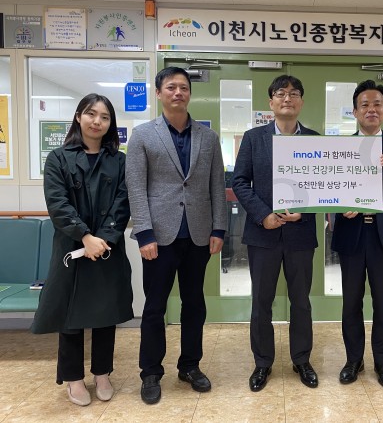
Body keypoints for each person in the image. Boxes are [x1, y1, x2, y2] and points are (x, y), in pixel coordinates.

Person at [126, 67, 227, 404]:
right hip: (158, 237)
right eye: (171, 87)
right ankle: (151, 372)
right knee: (155, 306)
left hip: (198, 235)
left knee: (194, 304)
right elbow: (136, 187)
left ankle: (190, 366)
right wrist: (144, 233)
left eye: (183, 87)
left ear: (190, 94)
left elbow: (216, 185)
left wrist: (218, 228)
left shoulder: (208, 137)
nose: (178, 92)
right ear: (159, 93)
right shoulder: (142, 135)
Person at [31, 94, 133, 406]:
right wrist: (85, 236)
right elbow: (58, 204)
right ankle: (73, 378)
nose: (97, 121)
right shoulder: (58, 158)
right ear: (78, 117)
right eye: (91, 114)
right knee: (70, 316)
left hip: (107, 248)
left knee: (105, 313)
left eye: (104, 117)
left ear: (110, 124)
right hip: (71, 247)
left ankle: (102, 373)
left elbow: (123, 203)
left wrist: (102, 239)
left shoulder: (119, 161)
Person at [232, 75, 320, 392]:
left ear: (301, 102)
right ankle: (262, 363)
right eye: (281, 93)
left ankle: (301, 360)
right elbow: (239, 182)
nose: (287, 98)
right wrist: (263, 215)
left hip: (300, 235)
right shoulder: (253, 138)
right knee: (261, 302)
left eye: (294, 93)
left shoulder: (315, 140)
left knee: (301, 302)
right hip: (263, 235)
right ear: (271, 102)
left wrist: (305, 210)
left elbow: (324, 186)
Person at [331, 80, 383, 389]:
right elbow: (330, 189)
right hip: (352, 234)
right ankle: (353, 360)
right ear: (355, 112)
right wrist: (341, 206)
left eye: (377, 104)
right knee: (351, 302)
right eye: (364, 105)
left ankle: (382, 362)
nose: (371, 109)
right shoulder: (340, 148)